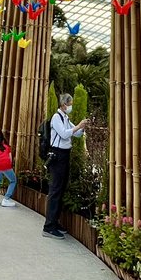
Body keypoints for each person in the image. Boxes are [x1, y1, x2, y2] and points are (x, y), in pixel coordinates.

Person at [42, 92, 87, 239]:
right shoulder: (56, 117)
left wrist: (82, 127)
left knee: (61, 189)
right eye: (70, 103)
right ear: (63, 104)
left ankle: (55, 222)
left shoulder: (65, 117)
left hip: (65, 155)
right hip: (57, 155)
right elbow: (64, 134)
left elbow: (76, 134)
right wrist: (77, 127)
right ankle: (48, 226)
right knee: (55, 190)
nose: (71, 106)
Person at [0, 129, 17, 207]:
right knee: (13, 181)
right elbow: (10, 159)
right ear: (3, 139)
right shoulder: (7, 147)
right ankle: (6, 199)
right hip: (6, 165)